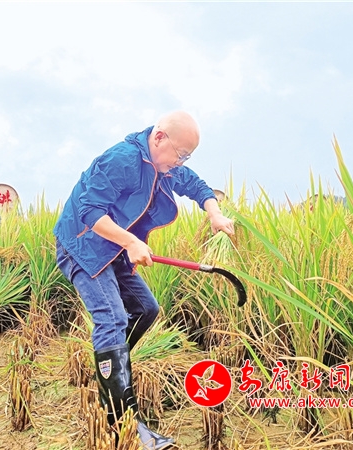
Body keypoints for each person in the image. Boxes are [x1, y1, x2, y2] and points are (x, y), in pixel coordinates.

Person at [54, 111, 235, 449]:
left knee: (146, 309)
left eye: (186, 158)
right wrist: (131, 242)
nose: (180, 163)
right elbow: (90, 212)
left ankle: (109, 372)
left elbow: (196, 186)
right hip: (83, 245)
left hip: (115, 248)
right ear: (159, 137)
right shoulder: (122, 159)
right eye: (180, 155)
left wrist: (215, 213)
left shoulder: (166, 165)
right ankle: (121, 421)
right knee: (112, 318)